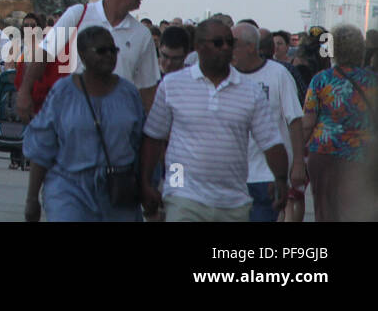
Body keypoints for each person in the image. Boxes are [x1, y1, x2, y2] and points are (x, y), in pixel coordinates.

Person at [139, 19, 288, 222]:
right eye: (218, 43)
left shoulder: (250, 91)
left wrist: (280, 178)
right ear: (199, 47)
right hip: (184, 196)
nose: (226, 47)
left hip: (233, 201)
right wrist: (147, 182)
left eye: (230, 42)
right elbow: (154, 136)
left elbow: (270, 141)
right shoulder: (172, 85)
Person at [24, 25, 145, 222]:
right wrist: (31, 198)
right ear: (82, 54)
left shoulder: (129, 94)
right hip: (69, 189)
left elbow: (140, 144)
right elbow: (41, 146)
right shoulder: (62, 92)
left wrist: (148, 186)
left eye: (113, 50)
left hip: (118, 191)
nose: (109, 56)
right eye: (101, 51)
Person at [18, 0, 161, 122]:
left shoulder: (142, 35)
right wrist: (24, 92)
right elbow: (44, 53)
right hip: (74, 117)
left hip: (118, 123)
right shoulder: (78, 14)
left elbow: (147, 88)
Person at [298, 24, 376, 221]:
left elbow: (307, 123)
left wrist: (296, 155)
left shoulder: (321, 80)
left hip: (325, 153)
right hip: (362, 156)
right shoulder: (373, 82)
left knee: (325, 212)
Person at [229, 22, 305, 222]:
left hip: (267, 176)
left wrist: (298, 162)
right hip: (233, 176)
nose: (228, 49)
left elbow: (295, 120)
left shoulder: (278, 75)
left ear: (251, 47)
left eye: (234, 44)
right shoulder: (228, 77)